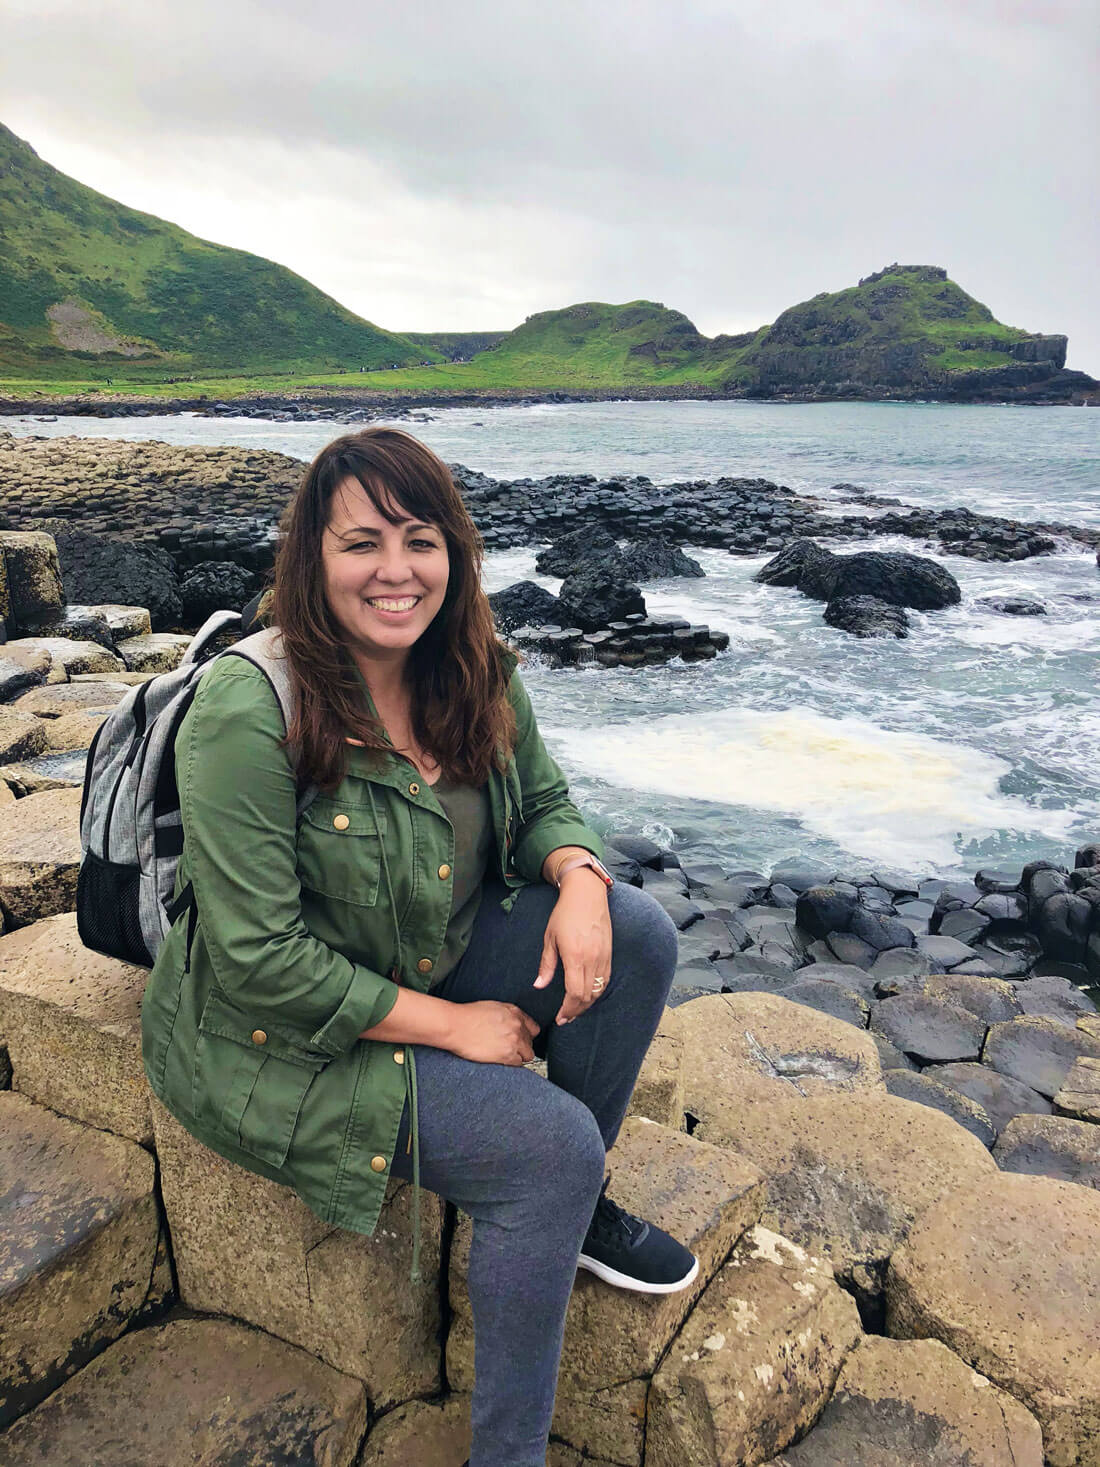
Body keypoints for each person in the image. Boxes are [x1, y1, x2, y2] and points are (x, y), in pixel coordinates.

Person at [141, 427, 693, 1467]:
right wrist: (456, 1027)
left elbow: (541, 801)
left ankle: (563, 1223)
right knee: (550, 1150)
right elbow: (260, 960)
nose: (394, 571)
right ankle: (509, 1451)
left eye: (418, 537)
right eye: (360, 544)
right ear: (311, 559)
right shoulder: (247, 708)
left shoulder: (470, 662)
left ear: (454, 551)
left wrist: (575, 874)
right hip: (276, 1036)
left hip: (416, 950)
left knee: (637, 934)